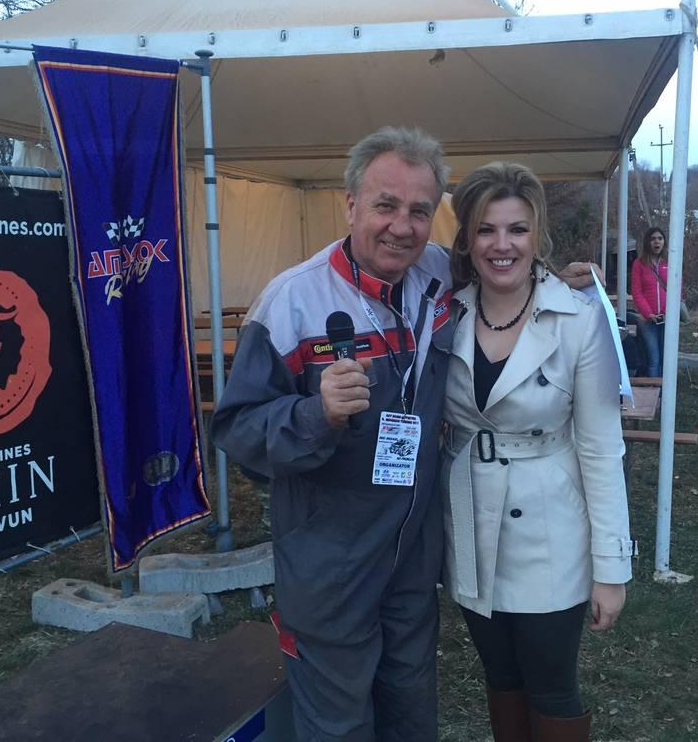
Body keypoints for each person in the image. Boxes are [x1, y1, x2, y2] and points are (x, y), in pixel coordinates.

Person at [212, 128, 600, 742]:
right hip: (329, 560)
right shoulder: (290, 302)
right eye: (385, 206)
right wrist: (314, 414)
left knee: (411, 713)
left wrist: (555, 280)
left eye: (419, 211)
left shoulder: (439, 275)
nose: (402, 227)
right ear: (351, 205)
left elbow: (504, 260)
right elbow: (237, 429)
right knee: (339, 723)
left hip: (413, 557)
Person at [440, 162, 633, 742]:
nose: (502, 245)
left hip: (550, 534)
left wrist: (611, 569)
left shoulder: (579, 319)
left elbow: (601, 449)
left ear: (537, 235)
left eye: (517, 229)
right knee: (500, 677)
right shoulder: (445, 313)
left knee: (551, 688)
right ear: (467, 240)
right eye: (486, 230)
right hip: (470, 523)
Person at [630, 226, 670, 378]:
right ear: (647, 242)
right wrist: (648, 313)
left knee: (667, 357)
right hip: (648, 320)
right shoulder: (639, 264)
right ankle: (654, 389)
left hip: (667, 318)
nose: (656, 242)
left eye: (660, 238)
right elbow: (637, 292)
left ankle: (666, 390)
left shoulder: (669, 262)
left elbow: (677, 289)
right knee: (654, 358)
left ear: (664, 242)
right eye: (653, 239)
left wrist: (668, 312)